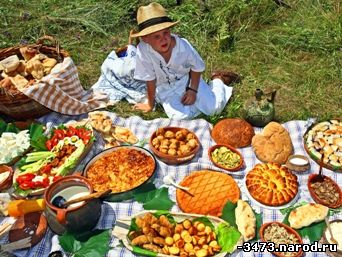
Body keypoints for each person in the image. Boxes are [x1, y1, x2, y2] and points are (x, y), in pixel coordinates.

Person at [131, 2, 240, 119]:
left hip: (187, 79)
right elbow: (150, 78)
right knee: (180, 118)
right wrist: (150, 104)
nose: (163, 39)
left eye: (165, 33)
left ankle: (218, 80)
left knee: (214, 109)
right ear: (145, 39)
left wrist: (192, 90)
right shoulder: (143, 50)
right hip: (164, 88)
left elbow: (197, 67)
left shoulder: (182, 46)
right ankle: (196, 102)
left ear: (170, 29)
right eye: (156, 36)